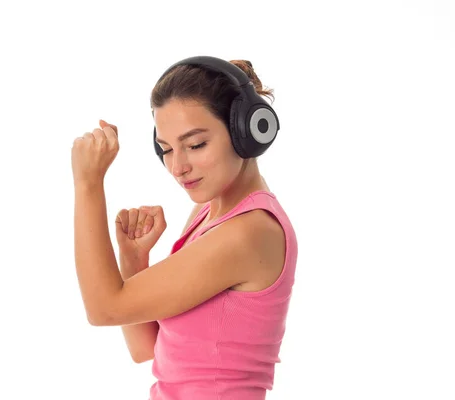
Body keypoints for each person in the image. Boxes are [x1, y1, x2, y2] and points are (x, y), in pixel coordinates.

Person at [71, 56, 298, 400]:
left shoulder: (249, 232)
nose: (178, 166)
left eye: (195, 145)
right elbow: (146, 349)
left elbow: (103, 309)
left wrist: (88, 183)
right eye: (166, 149)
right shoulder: (207, 212)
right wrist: (133, 261)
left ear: (246, 131)